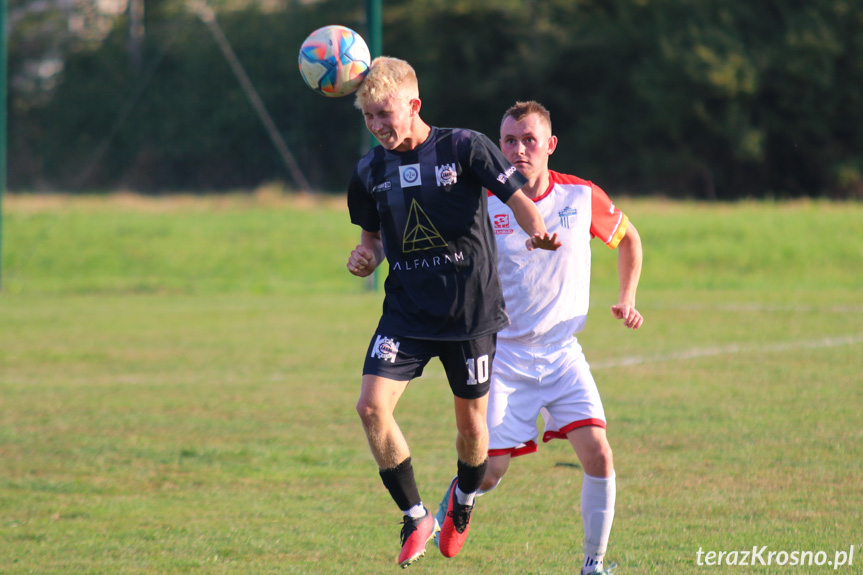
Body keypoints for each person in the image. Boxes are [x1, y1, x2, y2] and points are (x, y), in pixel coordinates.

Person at [346, 60, 562, 569]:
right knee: (371, 408)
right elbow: (371, 240)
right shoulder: (369, 170)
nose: (377, 125)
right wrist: (364, 258)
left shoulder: (464, 146)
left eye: (385, 113)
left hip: (469, 314)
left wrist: (536, 229)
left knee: (470, 429)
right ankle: (417, 514)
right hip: (406, 313)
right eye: (368, 117)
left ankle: (462, 503)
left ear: (413, 105)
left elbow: (517, 198)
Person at [434, 100, 643, 575]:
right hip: (505, 355)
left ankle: (594, 565)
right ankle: (459, 498)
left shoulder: (580, 197)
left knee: (598, 453)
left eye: (529, 140)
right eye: (509, 140)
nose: (518, 150)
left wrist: (626, 298)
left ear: (549, 145)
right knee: (489, 472)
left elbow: (629, 238)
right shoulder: (484, 201)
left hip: (564, 354)